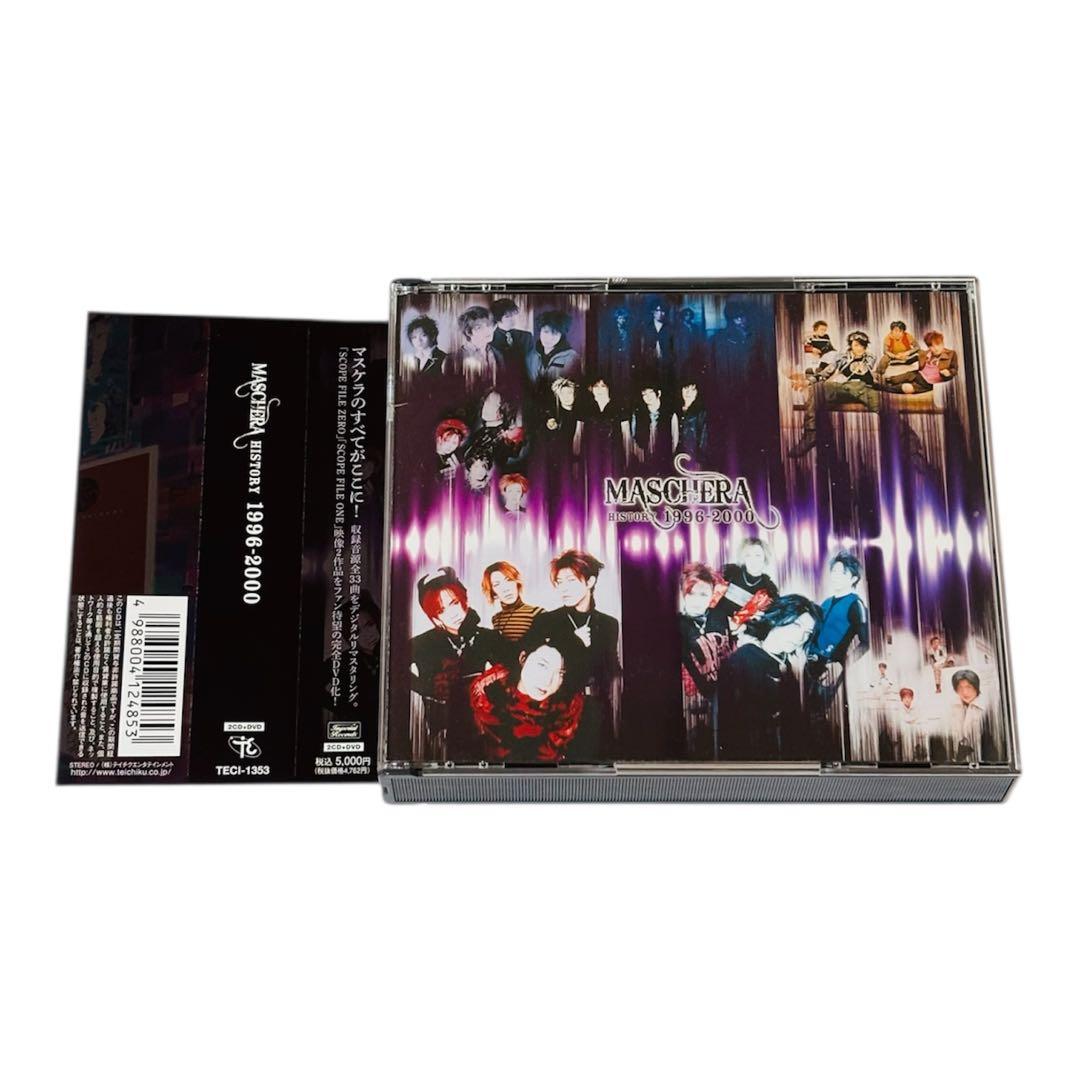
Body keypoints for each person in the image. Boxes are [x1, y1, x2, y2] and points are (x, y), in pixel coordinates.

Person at [531, 550, 621, 757]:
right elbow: (535, 667)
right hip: (558, 710)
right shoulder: (546, 621)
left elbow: (609, 668)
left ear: (590, 582)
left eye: (571, 581)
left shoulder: (608, 624)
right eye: (559, 582)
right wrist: (573, 643)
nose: (563, 588)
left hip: (596, 708)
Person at [409, 568, 505, 760]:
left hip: (483, 731)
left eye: (454, 603)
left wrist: (485, 682)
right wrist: (427, 688)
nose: (452, 613)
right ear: (434, 617)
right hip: (441, 733)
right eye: (441, 610)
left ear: (464, 600)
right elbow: (395, 671)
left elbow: (510, 673)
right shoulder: (421, 644)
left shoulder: (488, 637)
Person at [716, 594, 822, 759]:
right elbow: (731, 726)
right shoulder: (744, 658)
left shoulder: (792, 666)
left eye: (807, 633)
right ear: (778, 618)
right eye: (796, 625)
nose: (800, 637)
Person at [469, 632, 586, 763]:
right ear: (523, 658)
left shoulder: (569, 709)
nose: (548, 681)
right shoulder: (484, 696)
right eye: (542, 665)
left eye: (560, 673)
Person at [789, 330, 881, 457]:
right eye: (856, 345)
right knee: (817, 389)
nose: (860, 348)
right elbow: (827, 372)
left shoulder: (870, 357)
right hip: (843, 388)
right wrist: (808, 382)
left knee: (884, 407)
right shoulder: (841, 357)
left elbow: (864, 369)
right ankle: (811, 433)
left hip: (863, 389)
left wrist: (857, 363)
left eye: (862, 345)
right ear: (850, 345)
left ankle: (900, 443)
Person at [678, 563, 728, 756]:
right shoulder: (678, 623)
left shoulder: (719, 617)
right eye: (691, 593)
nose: (697, 601)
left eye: (703, 594)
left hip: (722, 695)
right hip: (689, 696)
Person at [716, 538, 779, 640]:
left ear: (765, 558)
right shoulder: (728, 574)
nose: (753, 560)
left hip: (742, 638)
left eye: (758, 555)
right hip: (714, 627)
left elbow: (767, 627)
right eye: (748, 555)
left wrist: (745, 628)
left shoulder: (770, 591)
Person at [482, 560, 543, 641]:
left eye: (508, 580)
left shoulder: (537, 613)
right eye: (497, 584)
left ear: (516, 582)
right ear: (493, 591)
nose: (505, 589)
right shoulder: (496, 619)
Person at [883, 331, 959, 395]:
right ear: (929, 347)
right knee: (906, 378)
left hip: (929, 383)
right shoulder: (925, 354)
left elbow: (954, 369)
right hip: (919, 376)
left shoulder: (951, 354)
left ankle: (884, 385)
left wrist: (949, 372)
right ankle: (885, 383)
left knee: (907, 386)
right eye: (932, 346)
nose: (936, 348)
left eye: (938, 345)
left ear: (943, 343)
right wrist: (896, 359)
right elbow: (909, 360)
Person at [526, 311, 581, 393]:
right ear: (540, 331)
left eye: (555, 333)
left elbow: (574, 389)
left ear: (561, 335)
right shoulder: (531, 356)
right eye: (546, 332)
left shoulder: (571, 357)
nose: (549, 338)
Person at [629, 383, 676, 467]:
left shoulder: (670, 414)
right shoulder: (638, 414)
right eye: (644, 394)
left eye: (651, 392)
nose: (648, 396)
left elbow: (675, 440)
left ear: (659, 393)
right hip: (644, 460)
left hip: (665, 460)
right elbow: (634, 438)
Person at [489, 297, 534, 385]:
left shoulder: (526, 336)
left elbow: (532, 364)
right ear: (497, 319)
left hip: (525, 384)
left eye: (514, 314)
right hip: (501, 385)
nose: (513, 319)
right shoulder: (490, 339)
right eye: (507, 316)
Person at [948, 668, 987, 762]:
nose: (964, 692)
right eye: (960, 688)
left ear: (976, 687)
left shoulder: (987, 708)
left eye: (968, 687)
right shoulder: (953, 708)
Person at [401, 315, 449, 384]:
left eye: (423, 335)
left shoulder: (444, 359)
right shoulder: (412, 359)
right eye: (414, 337)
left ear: (433, 336)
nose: (418, 340)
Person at [674, 378, 708, 462]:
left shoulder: (701, 413)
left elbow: (703, 439)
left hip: (692, 458)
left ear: (697, 392)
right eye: (686, 388)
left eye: (692, 390)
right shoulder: (675, 410)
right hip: (676, 457)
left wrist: (699, 460)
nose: (688, 393)